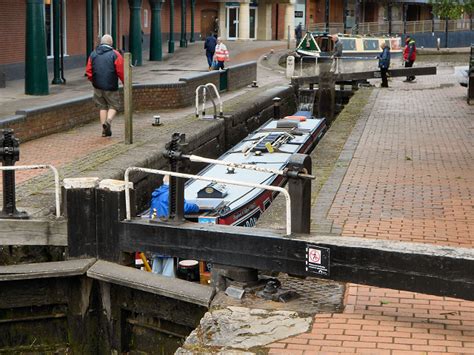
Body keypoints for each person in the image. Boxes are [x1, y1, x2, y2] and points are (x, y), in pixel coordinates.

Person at [149, 175, 199, 277]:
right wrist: (196, 206)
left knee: (157, 260)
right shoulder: (171, 194)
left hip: (156, 231)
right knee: (168, 261)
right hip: (168, 233)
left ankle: (154, 281)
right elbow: (183, 207)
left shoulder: (156, 194)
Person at [85, 34, 124, 137]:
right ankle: (108, 121)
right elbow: (121, 71)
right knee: (114, 105)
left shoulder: (93, 54)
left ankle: (104, 129)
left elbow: (88, 71)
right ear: (111, 43)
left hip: (97, 85)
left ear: (101, 43)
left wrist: (93, 80)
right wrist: (125, 82)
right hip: (111, 85)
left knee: (102, 106)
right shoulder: (115, 54)